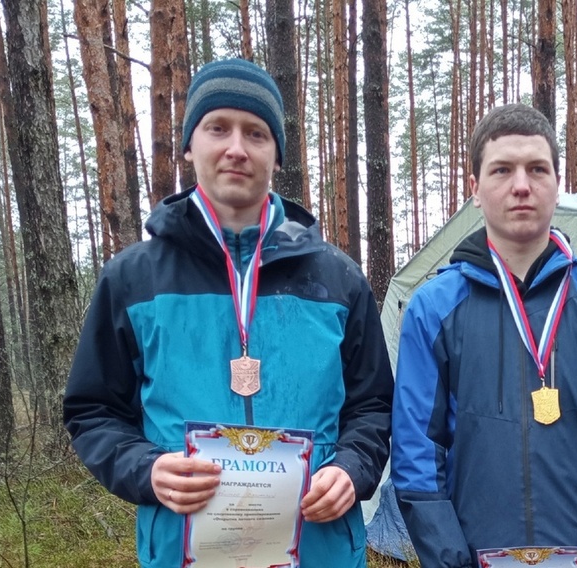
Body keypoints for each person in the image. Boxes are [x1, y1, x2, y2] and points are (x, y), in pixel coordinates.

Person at [63, 58, 393, 568]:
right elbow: (92, 411)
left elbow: (372, 406)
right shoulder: (132, 280)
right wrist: (146, 469)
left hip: (320, 550)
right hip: (184, 553)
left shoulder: (339, 280)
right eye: (218, 127)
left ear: (276, 154)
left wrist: (351, 468)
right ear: (189, 145)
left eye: (256, 133)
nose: (237, 148)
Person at [390, 103, 577, 568]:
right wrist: (449, 559)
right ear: (475, 190)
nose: (521, 185)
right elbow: (416, 448)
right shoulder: (433, 308)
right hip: (473, 558)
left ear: (557, 184)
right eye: (502, 170)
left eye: (537, 169)